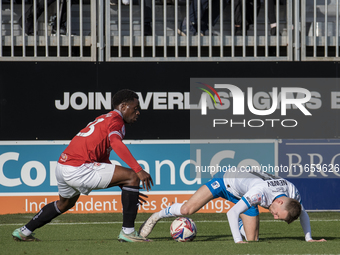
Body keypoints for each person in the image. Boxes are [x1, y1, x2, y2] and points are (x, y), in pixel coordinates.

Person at [12, 89, 154, 243]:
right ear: (123, 106)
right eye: (135, 108)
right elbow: (115, 143)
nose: (138, 112)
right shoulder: (117, 121)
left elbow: (103, 157)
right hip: (78, 167)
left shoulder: (104, 118)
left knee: (64, 203)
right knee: (132, 175)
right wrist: (138, 171)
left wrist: (124, 184)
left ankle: (24, 231)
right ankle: (128, 233)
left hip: (62, 165)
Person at [138, 169, 327, 243]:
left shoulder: (292, 193)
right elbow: (232, 212)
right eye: (278, 214)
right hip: (225, 181)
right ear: (278, 202)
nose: (275, 217)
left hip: (244, 193)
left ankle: (242, 230)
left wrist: (309, 239)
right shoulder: (259, 193)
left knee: (252, 240)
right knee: (188, 209)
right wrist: (238, 240)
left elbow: (302, 212)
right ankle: (156, 216)